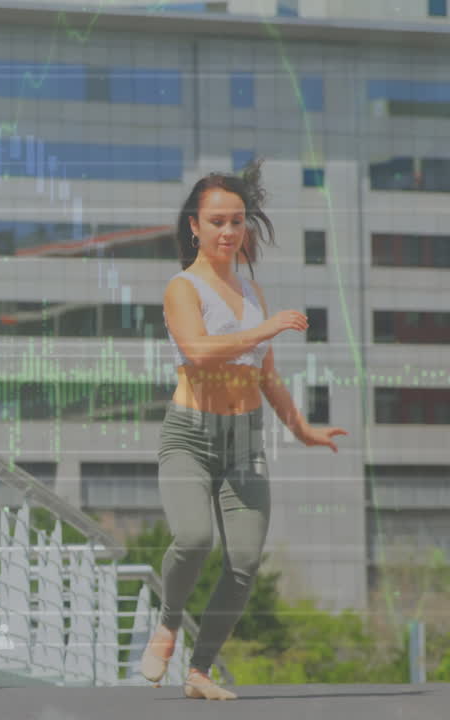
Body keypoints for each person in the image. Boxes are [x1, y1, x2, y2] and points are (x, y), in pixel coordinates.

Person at [137, 160, 348, 700]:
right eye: (217, 222)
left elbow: (267, 376)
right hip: (190, 435)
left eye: (237, 222)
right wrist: (270, 325)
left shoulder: (252, 291)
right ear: (195, 226)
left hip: (244, 441)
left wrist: (304, 431)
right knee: (193, 539)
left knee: (246, 561)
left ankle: (200, 671)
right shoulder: (183, 288)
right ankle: (168, 620)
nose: (229, 232)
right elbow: (200, 353)